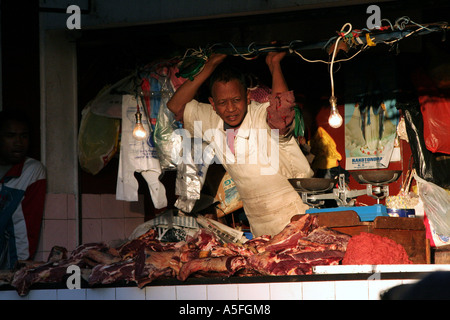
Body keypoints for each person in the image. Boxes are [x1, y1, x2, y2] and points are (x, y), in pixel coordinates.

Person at [167, 50, 313, 237]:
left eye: (237, 100)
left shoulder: (260, 114)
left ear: (248, 97)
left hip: (293, 212)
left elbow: (281, 112)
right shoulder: (211, 119)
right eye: (222, 102)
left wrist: (275, 65)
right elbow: (175, 107)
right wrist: (208, 67)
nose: (230, 109)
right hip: (257, 222)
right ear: (212, 103)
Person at [0, 110, 46, 269]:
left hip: (9, 267)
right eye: (10, 136)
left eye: (24, 136)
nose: (18, 142)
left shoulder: (31, 171)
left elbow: (25, 227)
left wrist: (19, 268)